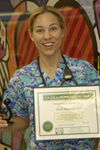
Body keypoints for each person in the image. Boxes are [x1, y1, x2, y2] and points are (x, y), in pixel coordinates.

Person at [0, 5, 100, 150]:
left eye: (53, 28)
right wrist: (6, 126)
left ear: (62, 31)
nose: (47, 36)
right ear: (31, 35)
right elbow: (23, 120)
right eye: (40, 30)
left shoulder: (84, 71)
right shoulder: (21, 78)